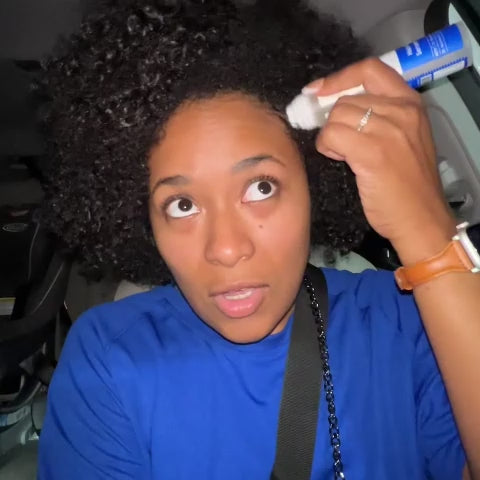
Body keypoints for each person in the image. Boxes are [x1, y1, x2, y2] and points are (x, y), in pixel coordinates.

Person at [36, 0, 480, 479]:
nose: (226, 249)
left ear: (313, 182)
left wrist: (426, 230)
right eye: (182, 206)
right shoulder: (109, 359)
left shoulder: (406, 319)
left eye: (261, 188)